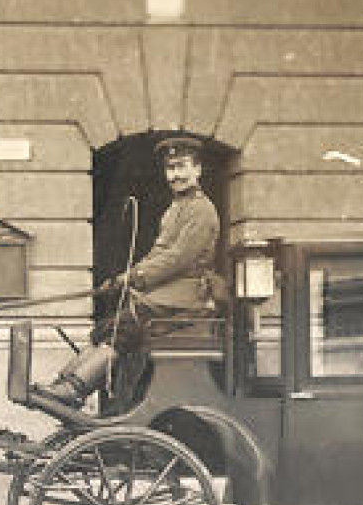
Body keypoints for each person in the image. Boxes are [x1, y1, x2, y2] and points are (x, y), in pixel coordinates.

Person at [34, 135, 225, 411]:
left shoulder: (202, 211)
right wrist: (128, 275)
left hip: (182, 300)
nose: (175, 176)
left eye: (182, 167)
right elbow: (158, 254)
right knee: (105, 328)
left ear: (198, 169)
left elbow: (177, 259)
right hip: (165, 298)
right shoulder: (176, 208)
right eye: (170, 169)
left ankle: (74, 389)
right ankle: (65, 383)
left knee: (120, 330)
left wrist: (137, 277)